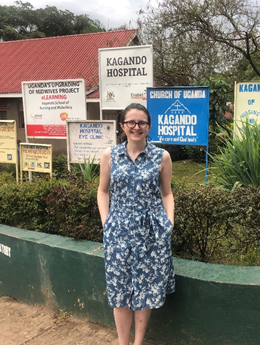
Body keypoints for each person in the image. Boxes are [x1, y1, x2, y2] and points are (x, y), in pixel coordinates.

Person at [97, 103, 175, 345]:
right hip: (118, 232)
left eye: (141, 122)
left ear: (149, 127)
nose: (136, 127)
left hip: (151, 232)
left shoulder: (162, 156)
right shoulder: (110, 155)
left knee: (146, 290)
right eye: (131, 122)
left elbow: (167, 194)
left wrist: (169, 223)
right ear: (122, 126)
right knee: (119, 292)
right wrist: (106, 222)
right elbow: (102, 191)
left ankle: (138, 342)